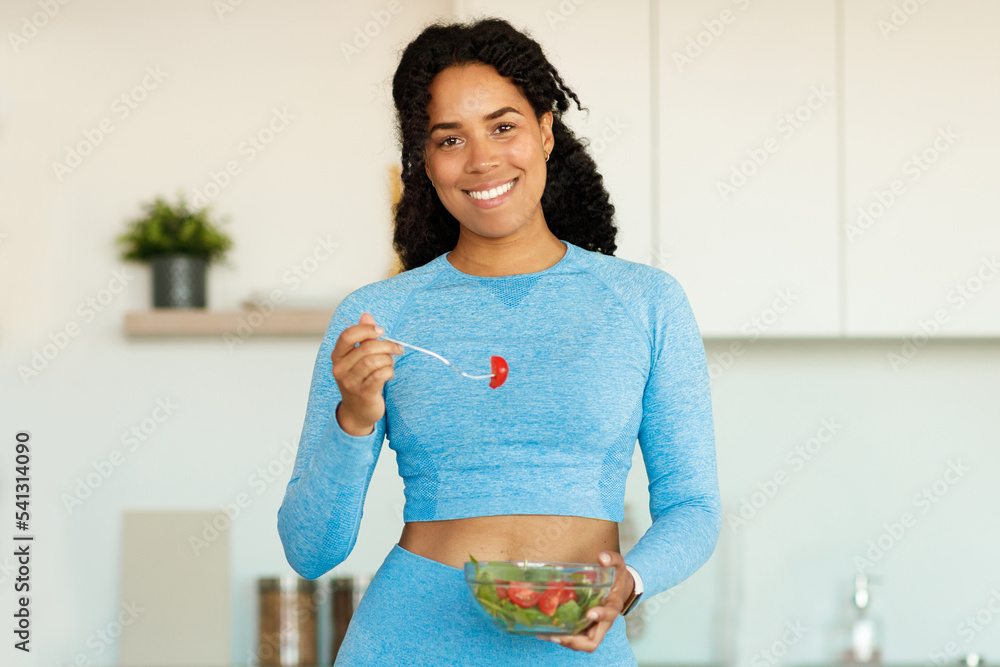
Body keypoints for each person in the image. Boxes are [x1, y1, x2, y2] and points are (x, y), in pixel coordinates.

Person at [277, 17, 720, 666]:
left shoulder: (646, 303)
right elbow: (309, 547)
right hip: (408, 641)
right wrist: (354, 416)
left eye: (503, 125)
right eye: (449, 138)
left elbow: (693, 507)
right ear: (424, 162)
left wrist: (628, 582)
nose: (482, 159)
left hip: (579, 646)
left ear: (545, 128)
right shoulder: (375, 316)